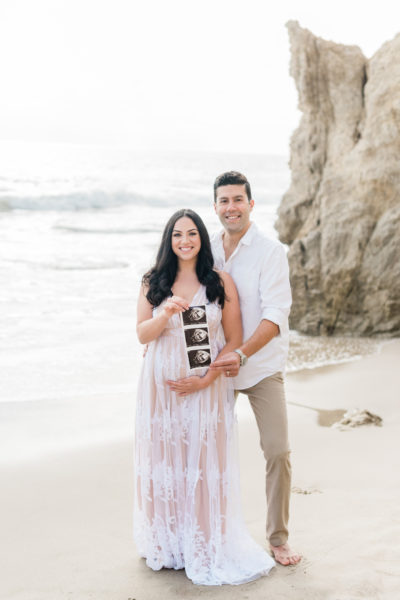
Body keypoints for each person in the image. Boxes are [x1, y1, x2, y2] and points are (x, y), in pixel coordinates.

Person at [134, 208, 276, 585]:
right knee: (167, 461)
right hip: (160, 390)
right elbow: (143, 335)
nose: (185, 241)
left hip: (206, 387)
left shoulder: (219, 281)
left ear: (202, 239)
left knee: (201, 463)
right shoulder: (153, 280)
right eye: (178, 235)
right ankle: (171, 543)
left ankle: (203, 542)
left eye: (192, 234)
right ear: (169, 240)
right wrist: (164, 314)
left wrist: (206, 379)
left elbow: (233, 339)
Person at [209, 171, 301, 566]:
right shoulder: (205, 249)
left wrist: (243, 353)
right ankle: (210, 534)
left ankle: (278, 538)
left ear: (250, 204)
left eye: (238, 200)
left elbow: (276, 314)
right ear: (215, 207)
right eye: (224, 201)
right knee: (208, 452)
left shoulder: (270, 251)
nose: (231, 207)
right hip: (217, 370)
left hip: (260, 367)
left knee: (277, 451)